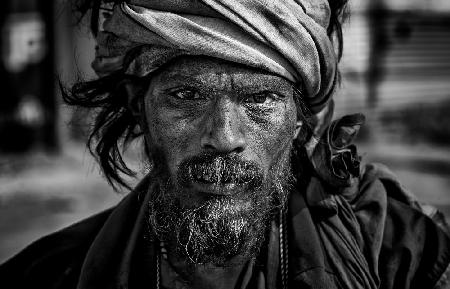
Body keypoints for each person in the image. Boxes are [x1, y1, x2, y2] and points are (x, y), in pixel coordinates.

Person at [1, 0, 450, 288]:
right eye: (187, 96)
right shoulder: (48, 274)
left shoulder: (404, 255)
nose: (224, 138)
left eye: (259, 99)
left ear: (299, 119)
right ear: (140, 108)